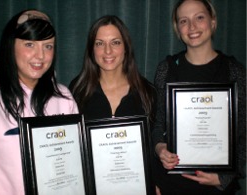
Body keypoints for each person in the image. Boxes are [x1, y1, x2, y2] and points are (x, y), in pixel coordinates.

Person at [153, 0, 246, 194]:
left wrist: (224, 178)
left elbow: (244, 133)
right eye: (184, 21)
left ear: (213, 22)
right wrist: (160, 148)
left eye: (200, 18)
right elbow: (158, 123)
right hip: (171, 184)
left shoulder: (234, 71)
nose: (192, 26)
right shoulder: (166, 69)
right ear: (177, 29)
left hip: (216, 186)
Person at [0, 10, 78, 195]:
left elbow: (75, 162)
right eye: (30, 44)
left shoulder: (64, 98)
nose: (40, 56)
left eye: (48, 46)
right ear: (10, 45)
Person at [69, 15, 157, 194]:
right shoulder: (77, 91)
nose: (107, 51)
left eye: (115, 42)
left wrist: (153, 183)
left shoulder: (148, 92)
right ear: (92, 49)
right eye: (99, 43)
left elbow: (153, 148)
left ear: (126, 48)